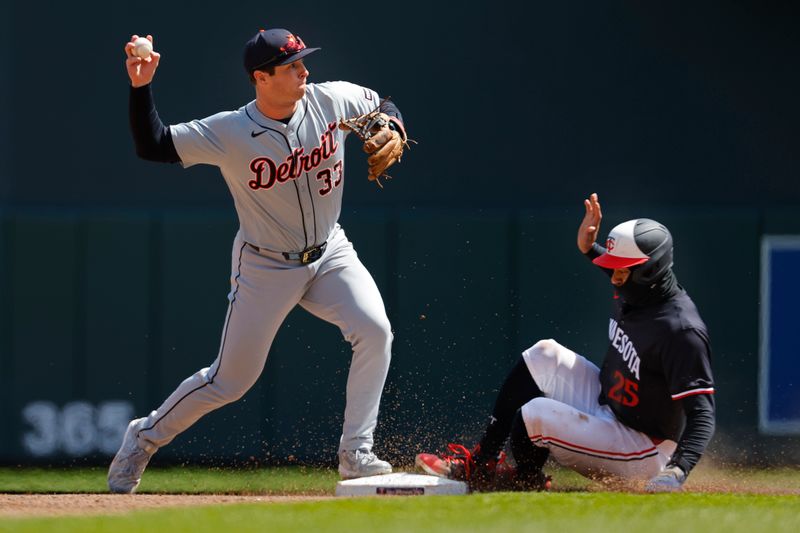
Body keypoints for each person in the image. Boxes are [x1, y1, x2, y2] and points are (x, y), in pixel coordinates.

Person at [108, 28, 409, 493]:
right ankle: (144, 437)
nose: (305, 71)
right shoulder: (229, 131)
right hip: (266, 265)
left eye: (303, 61)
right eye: (292, 66)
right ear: (261, 77)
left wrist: (393, 126)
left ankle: (356, 453)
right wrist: (140, 85)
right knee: (229, 382)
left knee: (376, 331)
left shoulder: (332, 100)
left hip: (331, 253)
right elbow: (153, 145)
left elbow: (383, 106)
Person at [416, 193, 715, 492]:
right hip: (609, 404)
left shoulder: (681, 330)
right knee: (543, 354)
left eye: (622, 270)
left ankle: (524, 481)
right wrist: (588, 247)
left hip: (644, 447)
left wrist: (677, 469)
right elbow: (613, 267)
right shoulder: (638, 287)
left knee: (535, 414)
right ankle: (482, 464)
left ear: (649, 271)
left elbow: (702, 414)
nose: (613, 277)